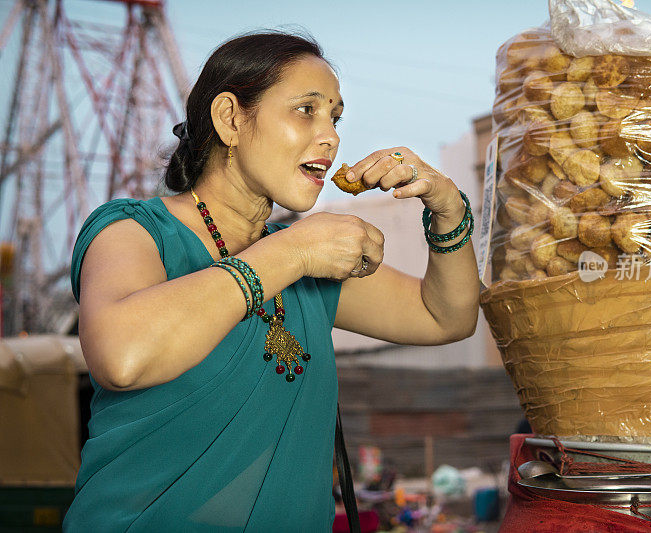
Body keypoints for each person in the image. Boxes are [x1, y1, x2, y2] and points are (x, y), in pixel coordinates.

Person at [64, 31, 479, 531]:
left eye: (336, 117)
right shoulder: (133, 231)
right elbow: (122, 357)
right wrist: (294, 249)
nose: (330, 137)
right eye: (307, 109)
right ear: (231, 119)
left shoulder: (310, 264)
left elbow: (447, 317)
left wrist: (448, 207)